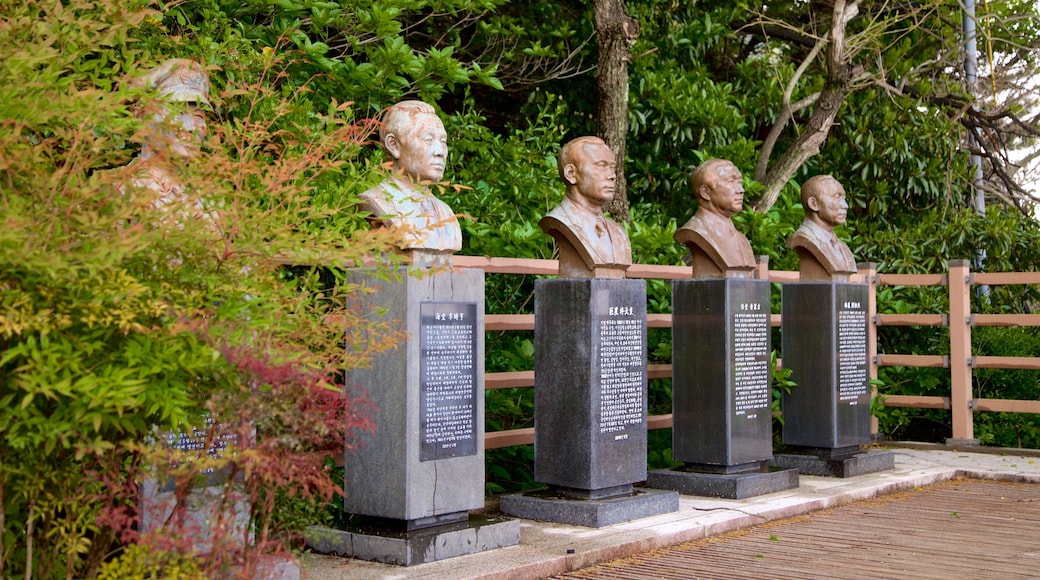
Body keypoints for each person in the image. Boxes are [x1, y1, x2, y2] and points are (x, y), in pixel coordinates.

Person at [359, 100, 462, 267]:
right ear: (394, 145)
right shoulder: (377, 201)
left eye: (443, 142)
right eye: (428, 139)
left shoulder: (447, 214)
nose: (440, 151)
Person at [122, 59, 212, 223]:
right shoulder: (120, 190)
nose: (192, 127)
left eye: (198, 116)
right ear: (144, 117)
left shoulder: (207, 197)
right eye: (178, 113)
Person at [539, 136, 632, 278]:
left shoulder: (619, 233)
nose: (612, 176)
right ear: (571, 174)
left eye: (612, 168)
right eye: (601, 166)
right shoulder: (560, 221)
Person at [674, 159, 756, 278]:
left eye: (740, 183)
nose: (741, 190)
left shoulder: (742, 240)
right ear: (706, 192)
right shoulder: (695, 231)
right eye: (731, 181)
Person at [787, 175, 857, 281]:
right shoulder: (804, 239)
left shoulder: (843, 247)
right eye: (837, 197)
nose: (845, 205)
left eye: (844, 198)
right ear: (814, 204)